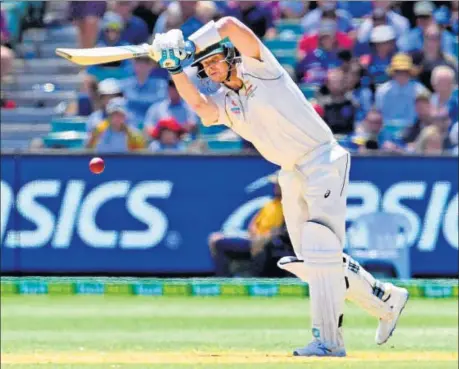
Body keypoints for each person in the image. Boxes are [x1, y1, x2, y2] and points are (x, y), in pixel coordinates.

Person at [149, 17, 409, 357]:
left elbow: (229, 24)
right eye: (204, 65)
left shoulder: (263, 70)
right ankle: (385, 297)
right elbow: (199, 106)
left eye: (214, 60)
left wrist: (189, 44)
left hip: (322, 160)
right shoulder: (227, 104)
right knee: (312, 262)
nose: (210, 69)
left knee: (319, 252)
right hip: (290, 172)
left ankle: (329, 342)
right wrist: (174, 68)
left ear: (231, 57)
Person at [208, 172, 284, 277]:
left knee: (260, 242)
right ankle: (223, 279)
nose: (276, 187)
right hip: (254, 237)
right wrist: (253, 233)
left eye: (278, 185)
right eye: (275, 185)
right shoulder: (270, 203)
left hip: (268, 240)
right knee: (214, 238)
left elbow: (282, 230)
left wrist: (265, 237)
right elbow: (252, 225)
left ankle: (254, 279)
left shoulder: (290, 205)